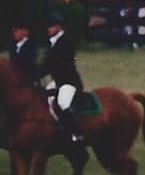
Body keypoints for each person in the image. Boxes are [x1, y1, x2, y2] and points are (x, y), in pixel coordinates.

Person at [40, 12, 88, 164]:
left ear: (58, 27)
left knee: (63, 102)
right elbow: (47, 63)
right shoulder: (51, 42)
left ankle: (76, 133)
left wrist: (44, 70)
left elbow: (61, 64)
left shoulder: (66, 41)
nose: (48, 29)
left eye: (51, 26)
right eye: (48, 27)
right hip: (58, 80)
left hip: (69, 81)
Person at [10, 23, 41, 87]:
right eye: (14, 32)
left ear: (24, 32)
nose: (14, 34)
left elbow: (29, 61)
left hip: (28, 78)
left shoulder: (30, 45)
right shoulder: (14, 47)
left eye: (17, 31)